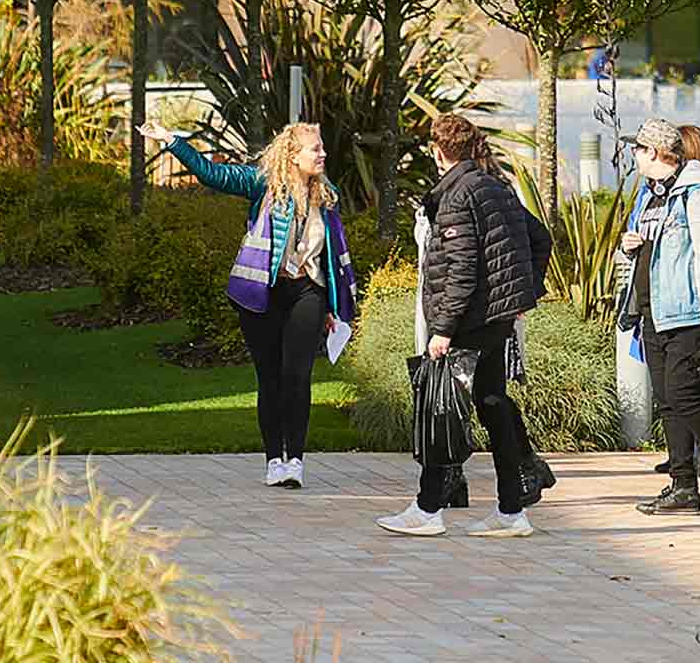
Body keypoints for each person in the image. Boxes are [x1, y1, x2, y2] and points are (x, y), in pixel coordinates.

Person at [139, 120, 357, 489]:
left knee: (298, 377)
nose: (323, 154)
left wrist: (336, 306)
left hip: (308, 292)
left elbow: (334, 255)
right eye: (315, 149)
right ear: (292, 156)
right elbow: (213, 174)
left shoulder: (327, 194)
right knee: (270, 378)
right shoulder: (263, 184)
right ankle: (275, 458)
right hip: (263, 294)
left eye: (321, 148)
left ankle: (296, 461)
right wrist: (171, 141)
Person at [379, 113, 553, 537]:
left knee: (442, 408)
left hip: (469, 320)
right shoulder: (498, 188)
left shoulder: (458, 197)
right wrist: (521, 297)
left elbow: (462, 268)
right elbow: (540, 238)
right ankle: (512, 511)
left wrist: (443, 328)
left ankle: (428, 508)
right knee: (492, 406)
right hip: (495, 319)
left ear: (438, 152)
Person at [621, 118, 700, 515]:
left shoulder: (698, 192)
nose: (634, 156)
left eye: (638, 149)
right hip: (653, 310)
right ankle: (683, 485)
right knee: (668, 401)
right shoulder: (652, 194)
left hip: (688, 311)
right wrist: (631, 245)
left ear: (655, 152)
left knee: (685, 395)